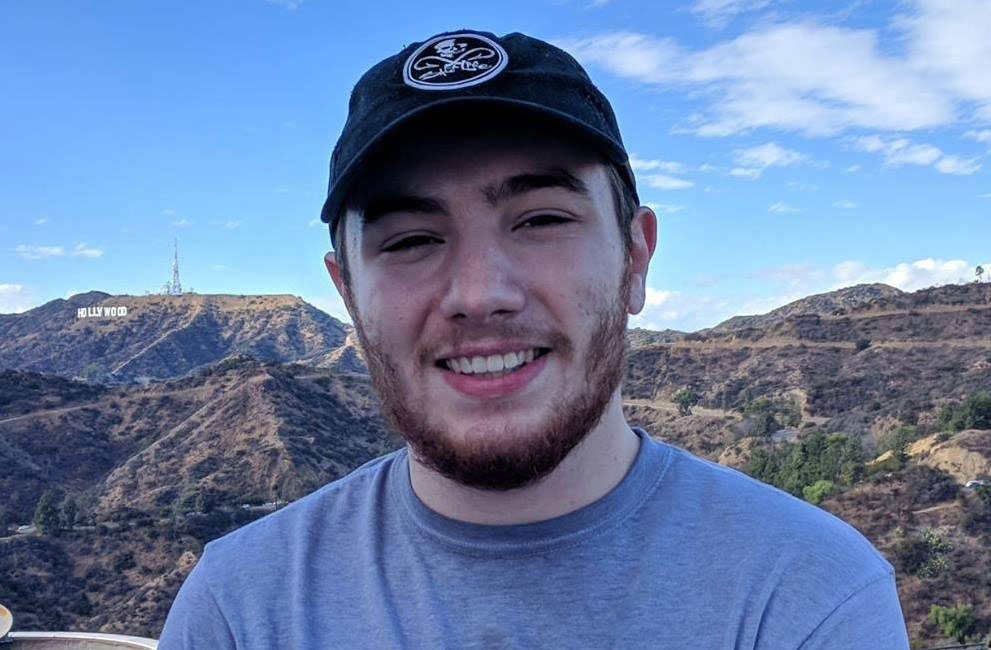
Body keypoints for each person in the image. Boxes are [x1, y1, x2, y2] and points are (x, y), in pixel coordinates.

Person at [158, 29, 911, 649]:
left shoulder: (805, 597)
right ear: (348, 293)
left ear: (634, 259)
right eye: (412, 239)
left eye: (541, 220)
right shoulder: (241, 610)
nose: (479, 292)